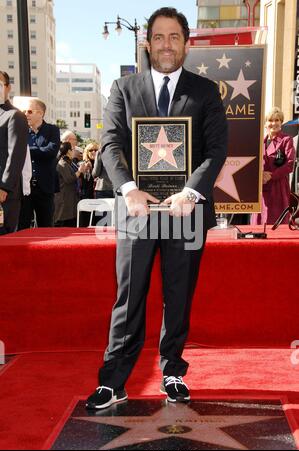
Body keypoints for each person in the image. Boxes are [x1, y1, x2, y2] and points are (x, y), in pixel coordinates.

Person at [86, 7, 227, 410]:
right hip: (136, 211)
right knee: (128, 295)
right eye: (159, 37)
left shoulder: (205, 92)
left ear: (186, 43)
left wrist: (191, 193)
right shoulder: (123, 88)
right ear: (148, 43)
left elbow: (216, 150)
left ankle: (172, 372)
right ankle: (114, 380)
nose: (167, 45)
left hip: (186, 212)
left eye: (174, 37)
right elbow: (111, 144)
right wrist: (128, 188)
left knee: (178, 295)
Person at [18, 98, 60, 229]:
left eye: (29, 111)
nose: (25, 114)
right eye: (24, 111)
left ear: (41, 113)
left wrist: (26, 150)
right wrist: (38, 151)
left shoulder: (52, 130)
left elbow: (51, 152)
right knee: (23, 225)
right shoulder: (21, 131)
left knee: (46, 226)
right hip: (25, 188)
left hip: (45, 187)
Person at [251, 107, 295, 225]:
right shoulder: (260, 142)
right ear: (265, 123)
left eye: (277, 120)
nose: (274, 123)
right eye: (270, 120)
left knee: (277, 223)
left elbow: (290, 165)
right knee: (259, 223)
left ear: (281, 122)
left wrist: (271, 176)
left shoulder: (286, 140)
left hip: (278, 188)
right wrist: (261, 174)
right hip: (261, 187)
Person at [0, 71, 28, 235]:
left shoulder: (14, 116)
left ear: (8, 87)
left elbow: (16, 155)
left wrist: (4, 186)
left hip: (4, 193)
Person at [54, 142, 89, 227]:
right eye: (72, 149)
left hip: (70, 198)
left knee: (71, 221)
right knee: (63, 223)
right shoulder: (62, 163)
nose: (74, 151)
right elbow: (70, 179)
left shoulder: (68, 162)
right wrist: (80, 170)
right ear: (68, 151)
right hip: (64, 198)